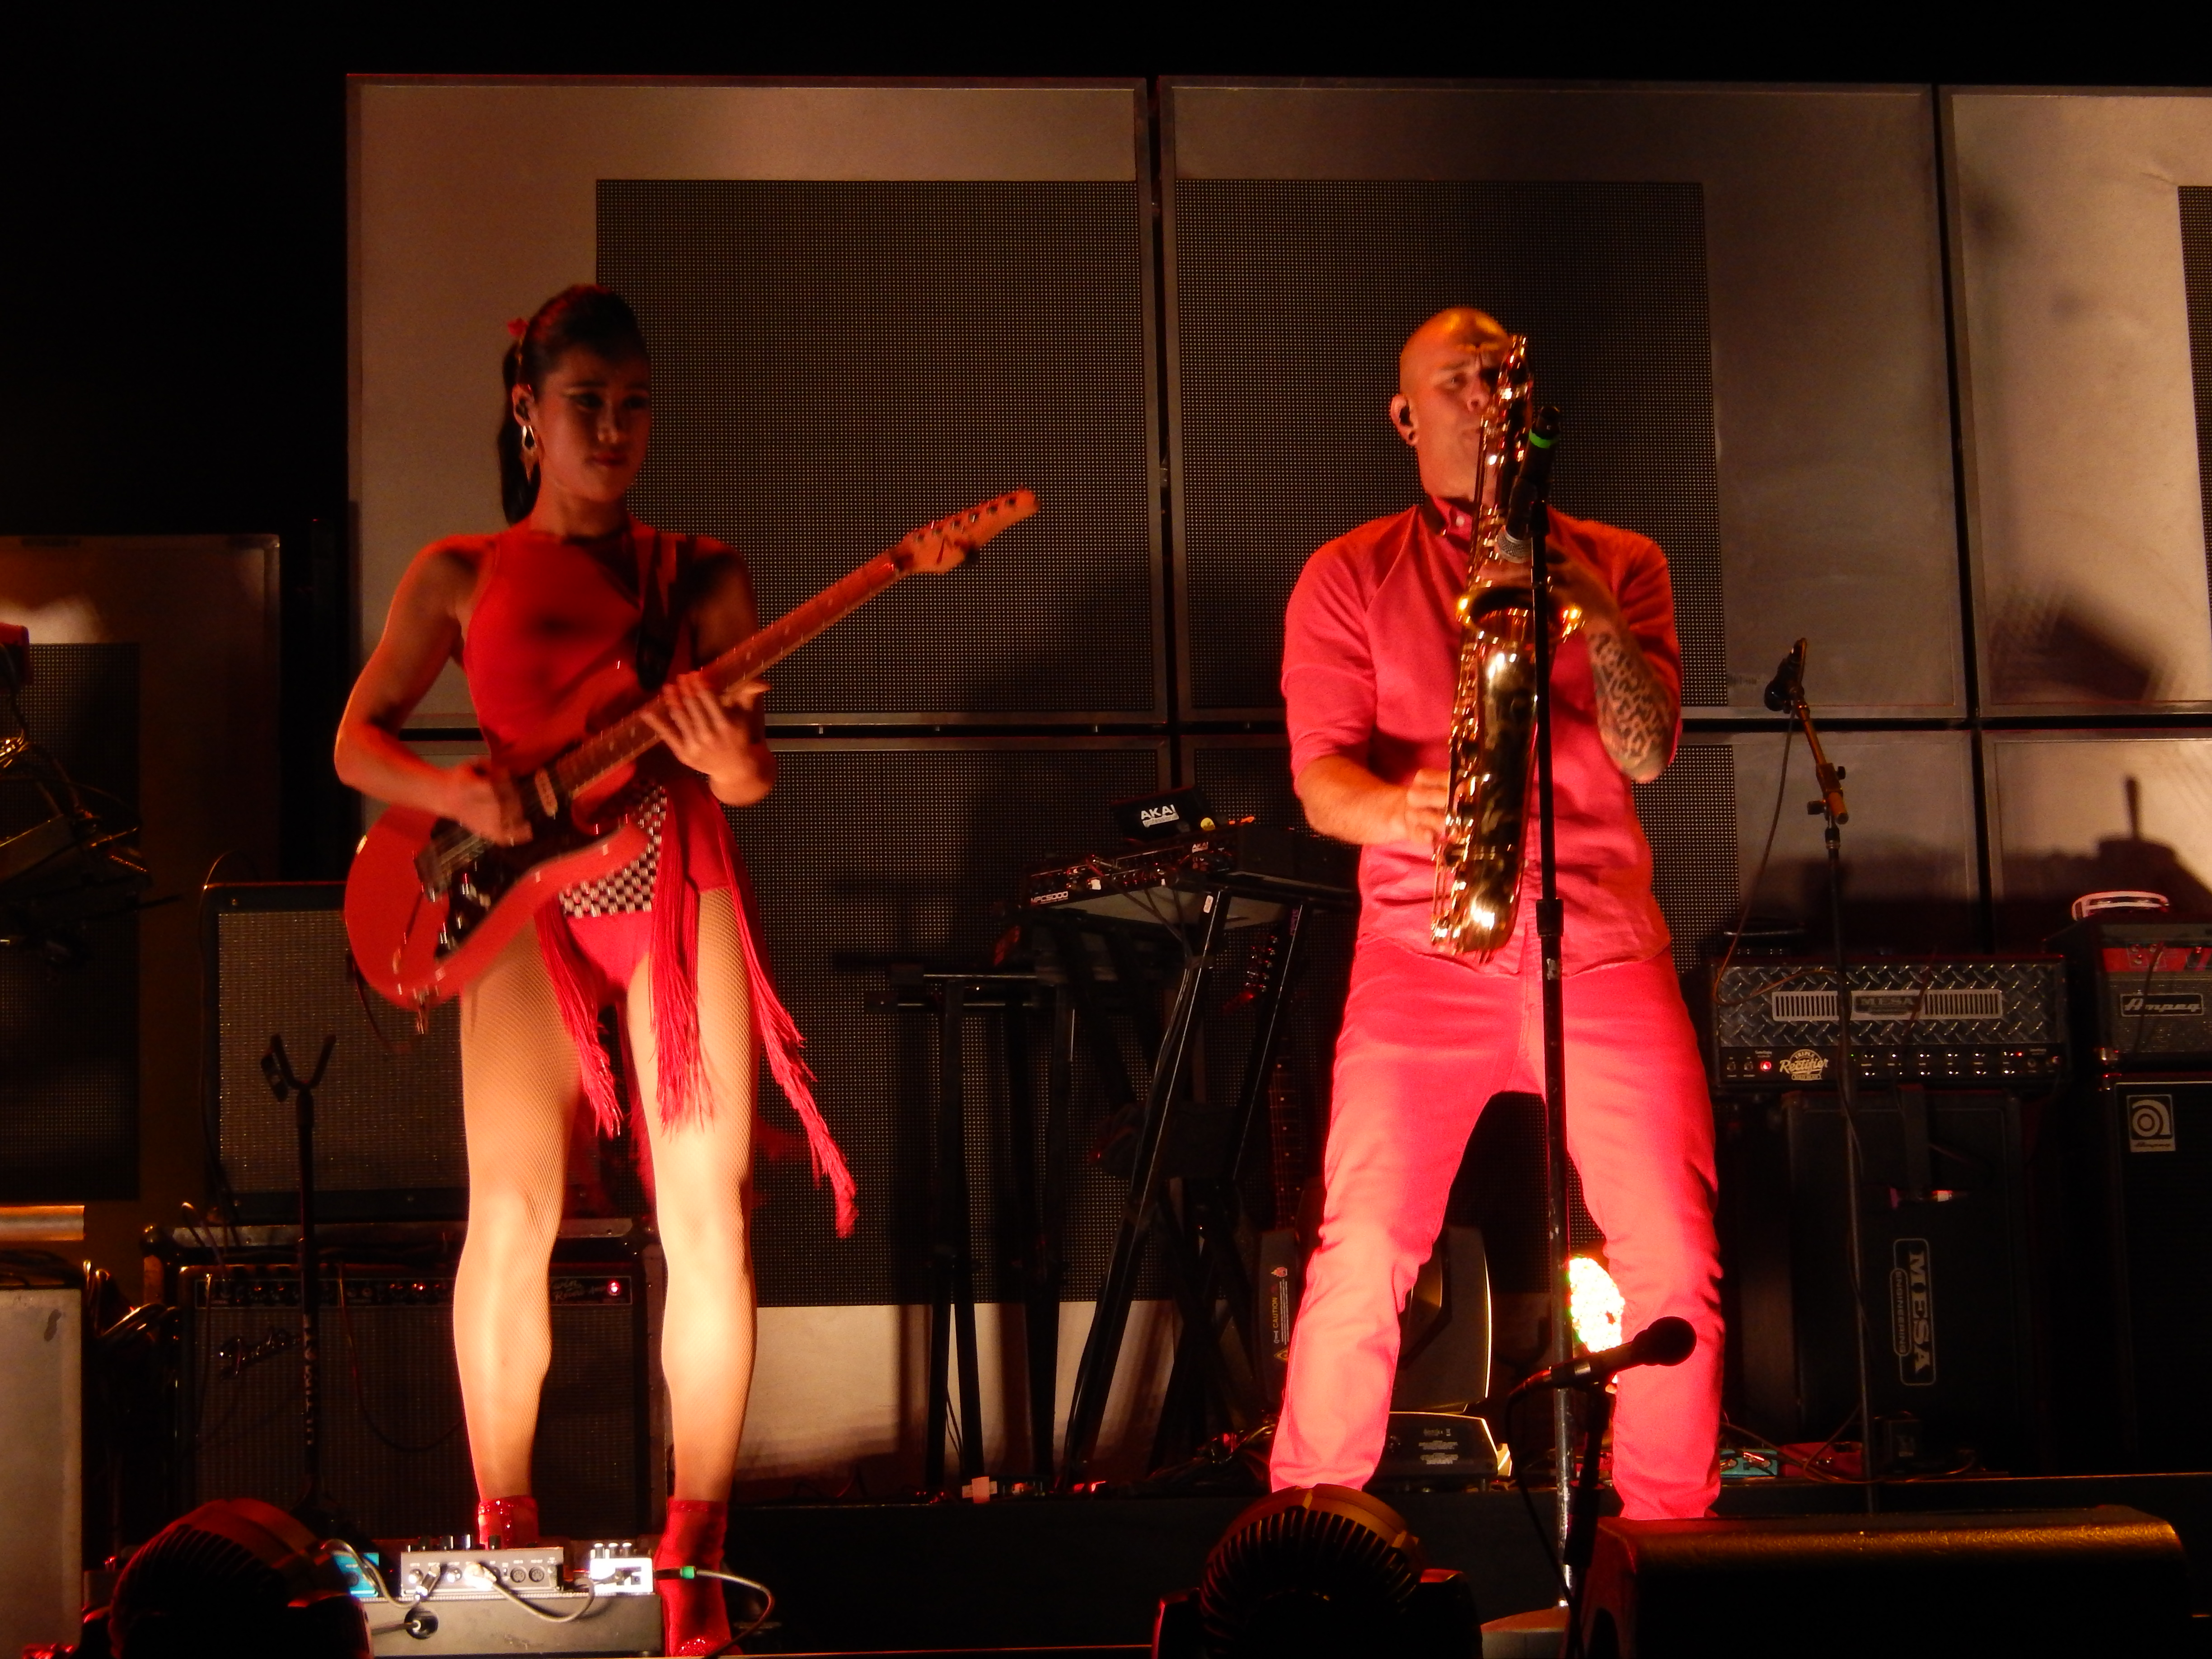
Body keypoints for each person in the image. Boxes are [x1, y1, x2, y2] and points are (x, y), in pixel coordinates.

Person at [335, 285, 855, 1654]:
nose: (615, 430)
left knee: (711, 1216)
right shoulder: (460, 570)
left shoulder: (701, 573)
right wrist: (457, 793)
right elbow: (357, 741)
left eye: (635, 406)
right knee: (511, 1214)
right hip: (525, 908)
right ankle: (505, 1536)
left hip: (673, 877)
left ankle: (696, 1558)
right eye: (587, 405)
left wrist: (728, 755)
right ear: (529, 413)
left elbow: (748, 777)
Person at [1271, 306, 1723, 1519]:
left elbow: (1649, 751)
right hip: (1422, 952)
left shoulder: (1622, 559)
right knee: (1365, 1249)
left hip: (1603, 949)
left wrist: (1603, 621)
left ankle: (1671, 1548)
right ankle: (1305, 1540)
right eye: (1454, 382)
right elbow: (1321, 785)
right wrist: (1399, 806)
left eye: (1497, 376)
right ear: (1405, 416)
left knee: (1676, 1256)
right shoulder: (1348, 574)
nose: (1481, 397)